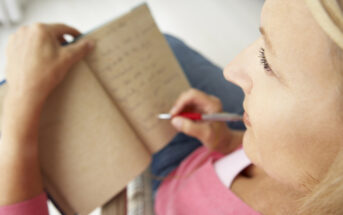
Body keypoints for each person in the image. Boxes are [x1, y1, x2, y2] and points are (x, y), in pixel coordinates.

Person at [1, 0, 343, 214]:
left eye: (268, 62)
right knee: (166, 46)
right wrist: (228, 143)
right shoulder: (310, 163)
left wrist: (21, 100)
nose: (232, 67)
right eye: (261, 39)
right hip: (203, 160)